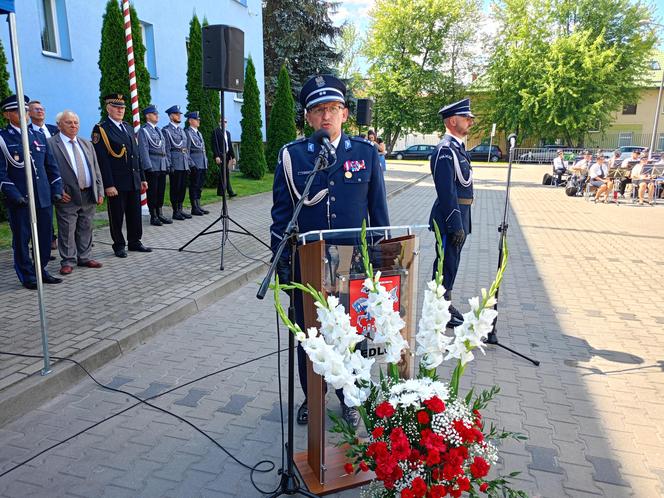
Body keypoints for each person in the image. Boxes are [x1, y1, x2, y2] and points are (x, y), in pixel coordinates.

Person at [270, 74, 389, 428]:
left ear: (345, 115)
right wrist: (282, 262)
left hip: (351, 263)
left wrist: (379, 264)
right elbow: (280, 214)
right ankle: (313, 396)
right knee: (310, 335)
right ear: (308, 118)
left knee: (351, 336)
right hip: (307, 262)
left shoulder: (365, 155)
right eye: (318, 110)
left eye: (333, 109)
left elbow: (379, 217)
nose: (326, 116)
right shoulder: (293, 157)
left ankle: (349, 396)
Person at [0, 95, 63, 289]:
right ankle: (27, 275)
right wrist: (15, 195)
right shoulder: (3, 138)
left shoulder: (37, 136)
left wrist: (56, 189)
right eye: (18, 111)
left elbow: (51, 166)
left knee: (45, 236)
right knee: (22, 238)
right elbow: (1, 172)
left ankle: (40, 268)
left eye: (25, 111)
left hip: (43, 197)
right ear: (7, 114)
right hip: (21, 199)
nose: (24, 114)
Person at [429, 98, 475, 329]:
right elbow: (446, 191)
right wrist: (454, 222)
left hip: (461, 213)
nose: (471, 121)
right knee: (445, 263)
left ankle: (444, 302)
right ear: (452, 120)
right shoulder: (445, 151)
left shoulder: (458, 149)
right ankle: (438, 306)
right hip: (450, 217)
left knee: (452, 262)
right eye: (466, 118)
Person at [91, 93, 151, 258]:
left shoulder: (128, 127)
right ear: (108, 108)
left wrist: (143, 178)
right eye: (116, 107)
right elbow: (102, 160)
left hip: (133, 179)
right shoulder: (101, 129)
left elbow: (135, 155)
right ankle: (118, 244)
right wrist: (108, 184)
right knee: (117, 215)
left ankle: (134, 241)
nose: (120, 110)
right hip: (116, 182)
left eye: (122, 108)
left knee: (134, 213)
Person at [49, 111, 104, 274]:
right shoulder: (51, 144)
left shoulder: (86, 143)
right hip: (67, 195)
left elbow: (96, 169)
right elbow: (47, 170)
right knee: (67, 228)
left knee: (86, 226)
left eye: (76, 122)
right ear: (59, 125)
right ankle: (68, 260)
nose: (73, 126)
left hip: (88, 193)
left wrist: (99, 189)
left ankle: (85, 257)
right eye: (69, 122)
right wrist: (56, 190)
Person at [138, 105, 171, 226]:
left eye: (157, 113)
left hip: (161, 164)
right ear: (147, 116)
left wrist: (167, 163)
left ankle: (160, 213)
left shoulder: (158, 130)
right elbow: (143, 150)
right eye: (154, 113)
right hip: (152, 165)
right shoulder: (144, 130)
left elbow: (164, 149)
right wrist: (148, 166)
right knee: (153, 192)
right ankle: (154, 216)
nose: (157, 115)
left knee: (161, 191)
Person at [162, 105, 191, 220]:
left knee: (183, 187)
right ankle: (175, 211)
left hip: (183, 162)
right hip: (175, 162)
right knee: (175, 187)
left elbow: (186, 148)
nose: (179, 116)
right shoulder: (166, 130)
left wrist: (188, 162)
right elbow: (167, 148)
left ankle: (180, 209)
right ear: (171, 116)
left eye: (179, 114)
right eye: (176, 114)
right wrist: (169, 164)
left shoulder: (182, 131)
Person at [184, 111, 209, 215]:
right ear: (190, 121)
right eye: (196, 119)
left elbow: (203, 149)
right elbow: (187, 150)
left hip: (202, 162)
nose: (199, 121)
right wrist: (191, 164)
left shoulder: (199, 133)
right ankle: (194, 207)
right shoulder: (188, 132)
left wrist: (205, 161)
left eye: (199, 119)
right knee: (194, 185)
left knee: (199, 185)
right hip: (195, 163)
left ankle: (198, 205)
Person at [211, 118, 237, 198]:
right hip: (220, 156)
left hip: (227, 155)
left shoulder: (228, 133)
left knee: (223, 173)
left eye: (225, 122)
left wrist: (233, 157)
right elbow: (214, 145)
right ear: (219, 122)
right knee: (225, 173)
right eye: (222, 121)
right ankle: (230, 191)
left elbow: (230, 145)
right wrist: (217, 156)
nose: (224, 123)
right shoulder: (216, 131)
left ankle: (220, 192)